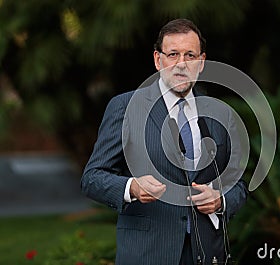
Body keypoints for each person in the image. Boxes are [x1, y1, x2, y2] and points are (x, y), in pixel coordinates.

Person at [81, 18, 248, 265]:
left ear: (201, 62)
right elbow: (92, 177)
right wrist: (132, 188)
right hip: (149, 253)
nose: (181, 64)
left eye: (190, 55)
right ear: (158, 60)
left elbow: (237, 182)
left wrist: (221, 200)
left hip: (207, 253)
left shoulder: (219, 114)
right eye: (173, 54)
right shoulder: (125, 108)